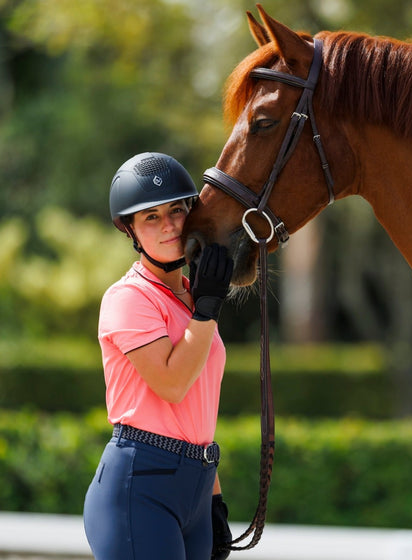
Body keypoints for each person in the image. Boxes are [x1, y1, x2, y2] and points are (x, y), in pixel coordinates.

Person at [83, 152, 233, 560]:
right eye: (150, 216)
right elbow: (172, 384)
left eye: (177, 210)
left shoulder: (193, 296)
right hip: (140, 487)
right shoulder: (127, 298)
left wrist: (214, 499)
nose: (168, 225)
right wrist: (207, 311)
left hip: (197, 485)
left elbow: (196, 413)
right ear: (129, 229)